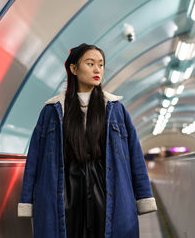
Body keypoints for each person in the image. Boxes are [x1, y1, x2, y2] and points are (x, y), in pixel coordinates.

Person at [17, 43, 157, 238]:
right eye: (90, 63)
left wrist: (144, 196)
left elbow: (134, 154)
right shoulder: (53, 110)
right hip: (65, 190)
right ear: (73, 69)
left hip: (106, 188)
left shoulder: (115, 108)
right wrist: (27, 200)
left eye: (101, 64)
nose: (97, 69)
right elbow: (35, 158)